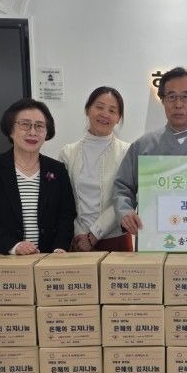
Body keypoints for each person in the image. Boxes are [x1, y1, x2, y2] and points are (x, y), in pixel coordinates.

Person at [114, 67, 187, 235]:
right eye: (171, 97)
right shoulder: (143, 145)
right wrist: (126, 212)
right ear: (162, 100)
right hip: (154, 236)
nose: (178, 104)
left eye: (185, 97)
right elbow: (122, 187)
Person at [0, 98, 76, 257]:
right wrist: (14, 246)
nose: (33, 132)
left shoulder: (57, 169)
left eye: (39, 126)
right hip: (3, 258)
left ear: (47, 132)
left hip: (48, 259)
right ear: (10, 130)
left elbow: (66, 214)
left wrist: (59, 247)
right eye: (25, 125)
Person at [59, 86, 131, 252]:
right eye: (99, 107)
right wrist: (79, 233)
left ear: (118, 118)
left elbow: (125, 198)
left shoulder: (127, 152)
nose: (105, 114)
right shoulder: (68, 153)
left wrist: (94, 235)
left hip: (116, 239)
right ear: (87, 110)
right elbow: (63, 201)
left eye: (112, 110)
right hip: (78, 241)